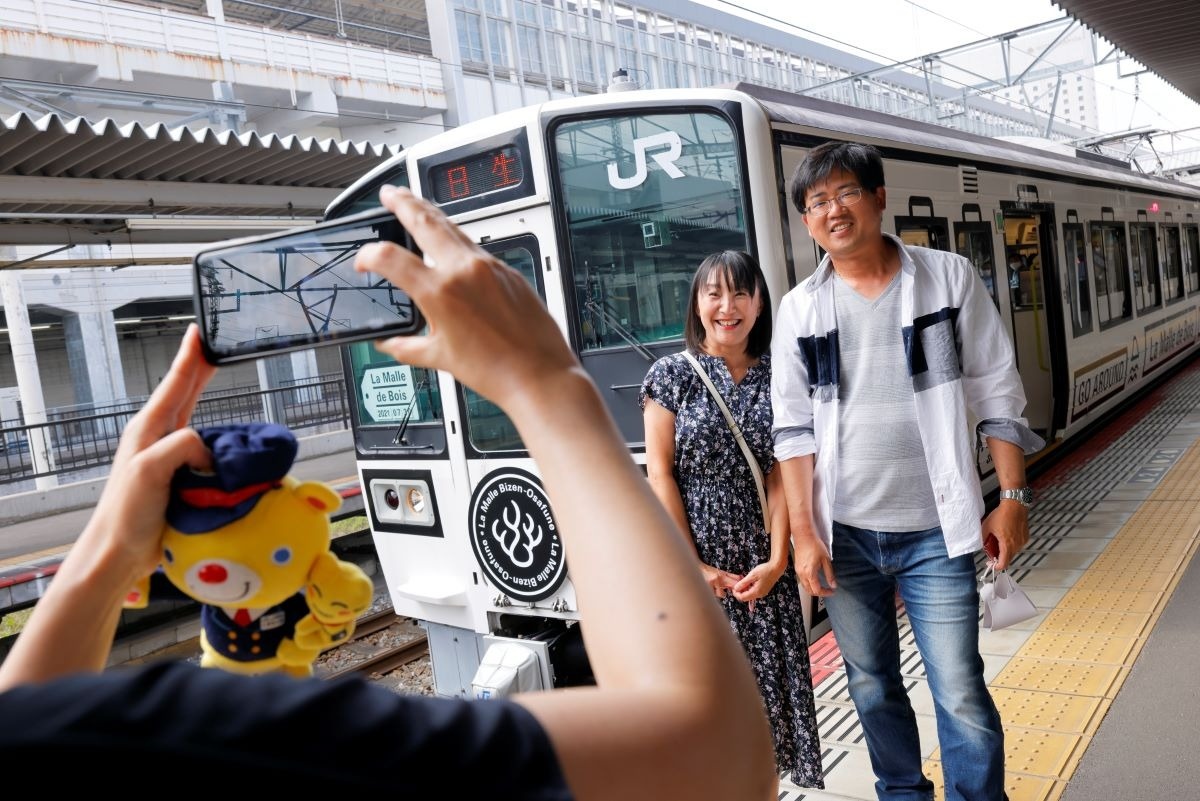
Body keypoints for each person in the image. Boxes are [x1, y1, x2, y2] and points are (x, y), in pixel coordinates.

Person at [0, 186, 776, 800]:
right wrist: (549, 386)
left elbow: (33, 706)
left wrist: (108, 548)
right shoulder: (197, 729)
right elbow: (715, 756)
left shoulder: (76, 727)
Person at [772, 142, 1044, 801]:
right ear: (807, 222)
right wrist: (805, 535)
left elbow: (996, 391)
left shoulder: (946, 280)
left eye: (845, 193)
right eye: (816, 202)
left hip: (935, 531)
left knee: (959, 687)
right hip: (846, 536)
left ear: (879, 198)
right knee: (869, 684)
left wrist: (1011, 497)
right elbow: (792, 430)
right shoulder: (800, 310)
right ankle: (902, 792)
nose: (832, 210)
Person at [641, 251, 824, 790]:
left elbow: (780, 474)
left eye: (741, 293)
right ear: (697, 306)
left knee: (766, 709)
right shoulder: (671, 376)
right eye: (714, 294)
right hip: (698, 568)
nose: (728, 306)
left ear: (760, 303)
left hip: (763, 570)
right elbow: (661, 475)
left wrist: (777, 559)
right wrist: (693, 566)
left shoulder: (780, 375)